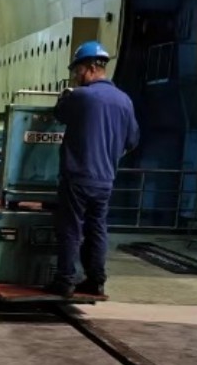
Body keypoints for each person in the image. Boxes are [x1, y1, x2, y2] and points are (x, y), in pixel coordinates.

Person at [49, 40, 139, 301]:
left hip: (78, 176)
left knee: (70, 227)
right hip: (105, 179)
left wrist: (65, 96)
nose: (75, 76)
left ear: (90, 68)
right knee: (97, 228)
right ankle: (96, 281)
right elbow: (132, 140)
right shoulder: (125, 101)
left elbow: (59, 114)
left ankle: (65, 281)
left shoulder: (81, 96)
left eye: (77, 70)